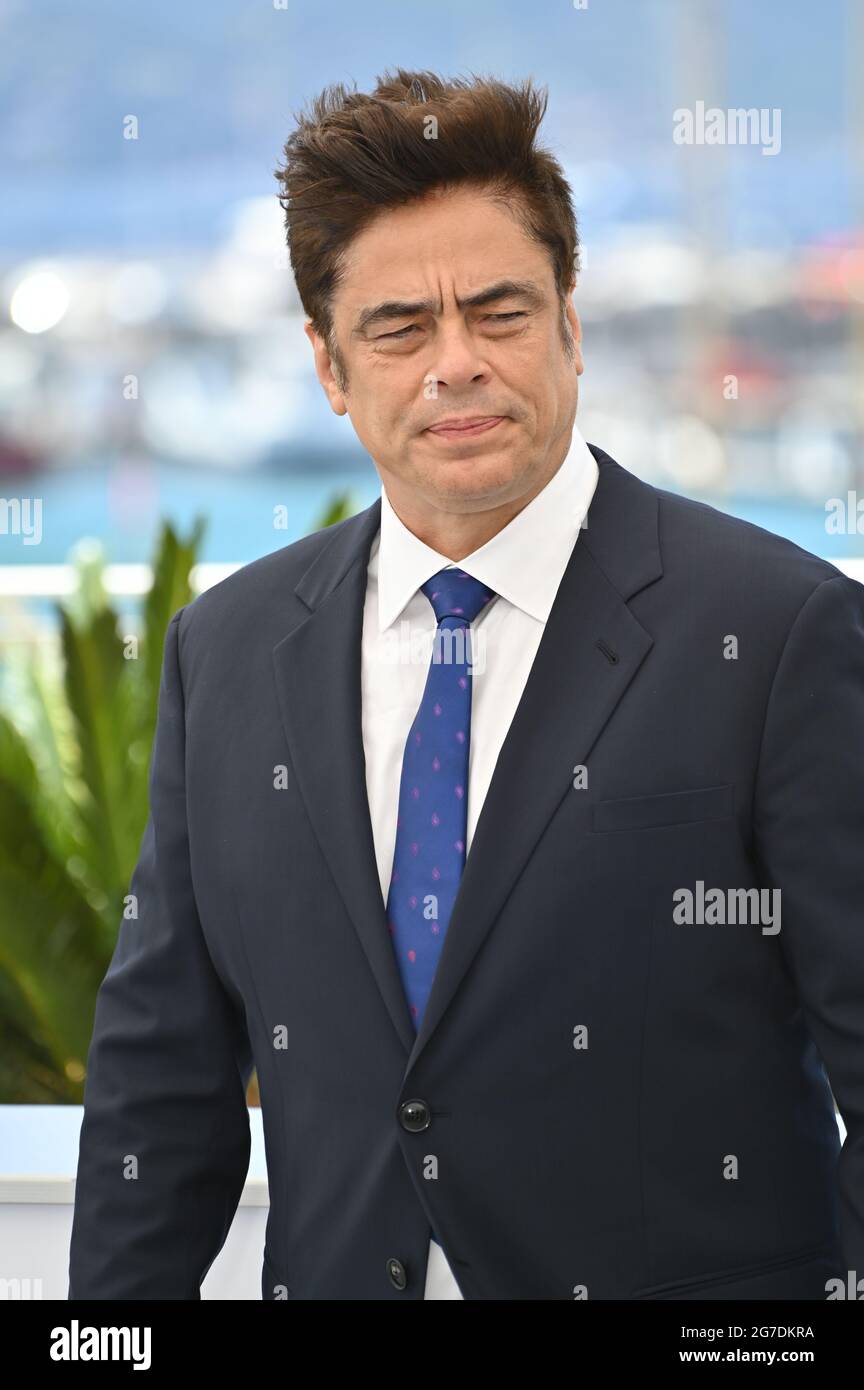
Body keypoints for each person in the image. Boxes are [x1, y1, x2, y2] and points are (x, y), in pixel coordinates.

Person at [69, 68, 864, 1301]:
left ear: (570, 326)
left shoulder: (781, 631)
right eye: (399, 328)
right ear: (330, 367)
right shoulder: (221, 652)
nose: (458, 364)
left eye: (500, 312)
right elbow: (158, 1091)